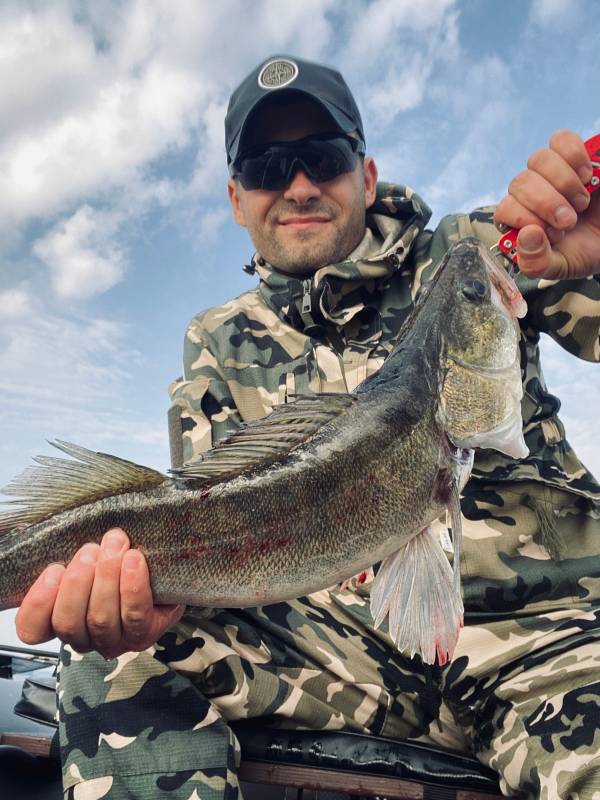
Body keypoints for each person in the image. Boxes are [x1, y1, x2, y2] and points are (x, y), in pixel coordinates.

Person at [14, 55, 600, 799]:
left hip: (549, 643)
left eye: (322, 158)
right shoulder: (216, 340)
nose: (297, 185)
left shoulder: (478, 253)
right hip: (339, 658)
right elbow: (208, 533)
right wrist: (134, 605)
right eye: (267, 166)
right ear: (235, 197)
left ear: (367, 171)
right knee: (118, 663)